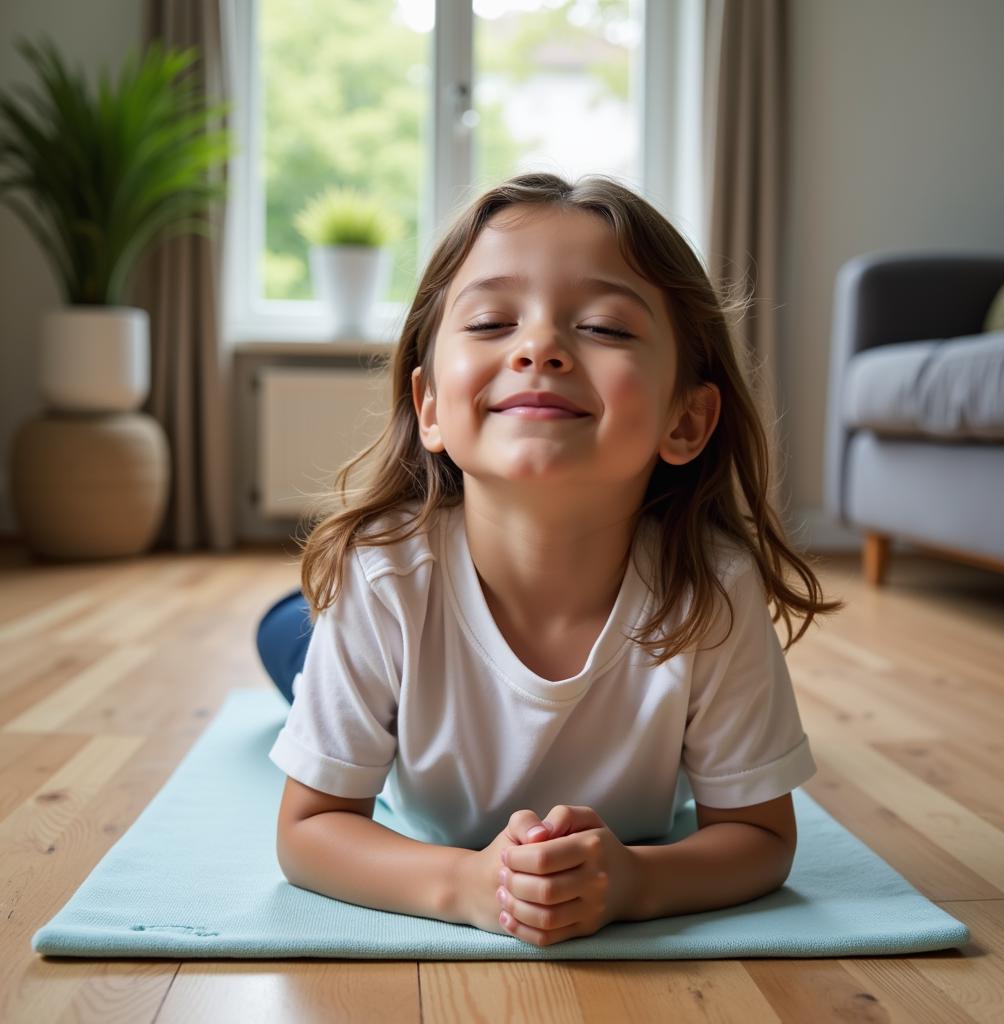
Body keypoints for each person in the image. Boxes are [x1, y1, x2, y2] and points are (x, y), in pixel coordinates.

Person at [259, 172, 844, 949]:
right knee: (288, 636)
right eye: (494, 321)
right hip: (355, 617)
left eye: (604, 328)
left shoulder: (713, 591)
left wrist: (635, 882)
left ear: (687, 417)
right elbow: (309, 830)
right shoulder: (380, 574)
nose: (540, 348)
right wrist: (466, 886)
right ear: (430, 406)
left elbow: (763, 839)